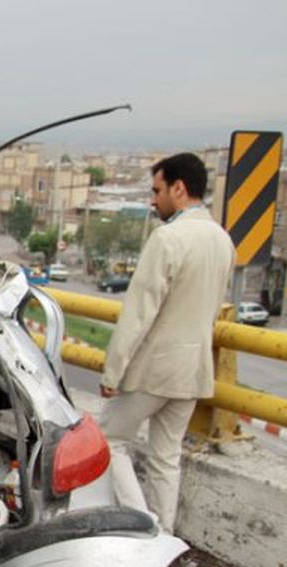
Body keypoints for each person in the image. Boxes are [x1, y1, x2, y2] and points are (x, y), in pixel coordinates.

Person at [99, 152, 235, 533]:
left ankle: (144, 529)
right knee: (165, 457)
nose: (153, 200)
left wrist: (113, 370)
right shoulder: (222, 241)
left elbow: (139, 312)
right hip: (193, 372)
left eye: (157, 190)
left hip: (154, 368)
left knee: (109, 441)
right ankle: (166, 537)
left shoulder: (168, 238)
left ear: (179, 188)